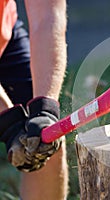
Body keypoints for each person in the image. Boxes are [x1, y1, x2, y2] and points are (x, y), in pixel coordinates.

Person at [0, 0, 68, 199]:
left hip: (5, 33)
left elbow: (47, 16)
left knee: (44, 145)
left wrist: (45, 109)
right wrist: (7, 120)